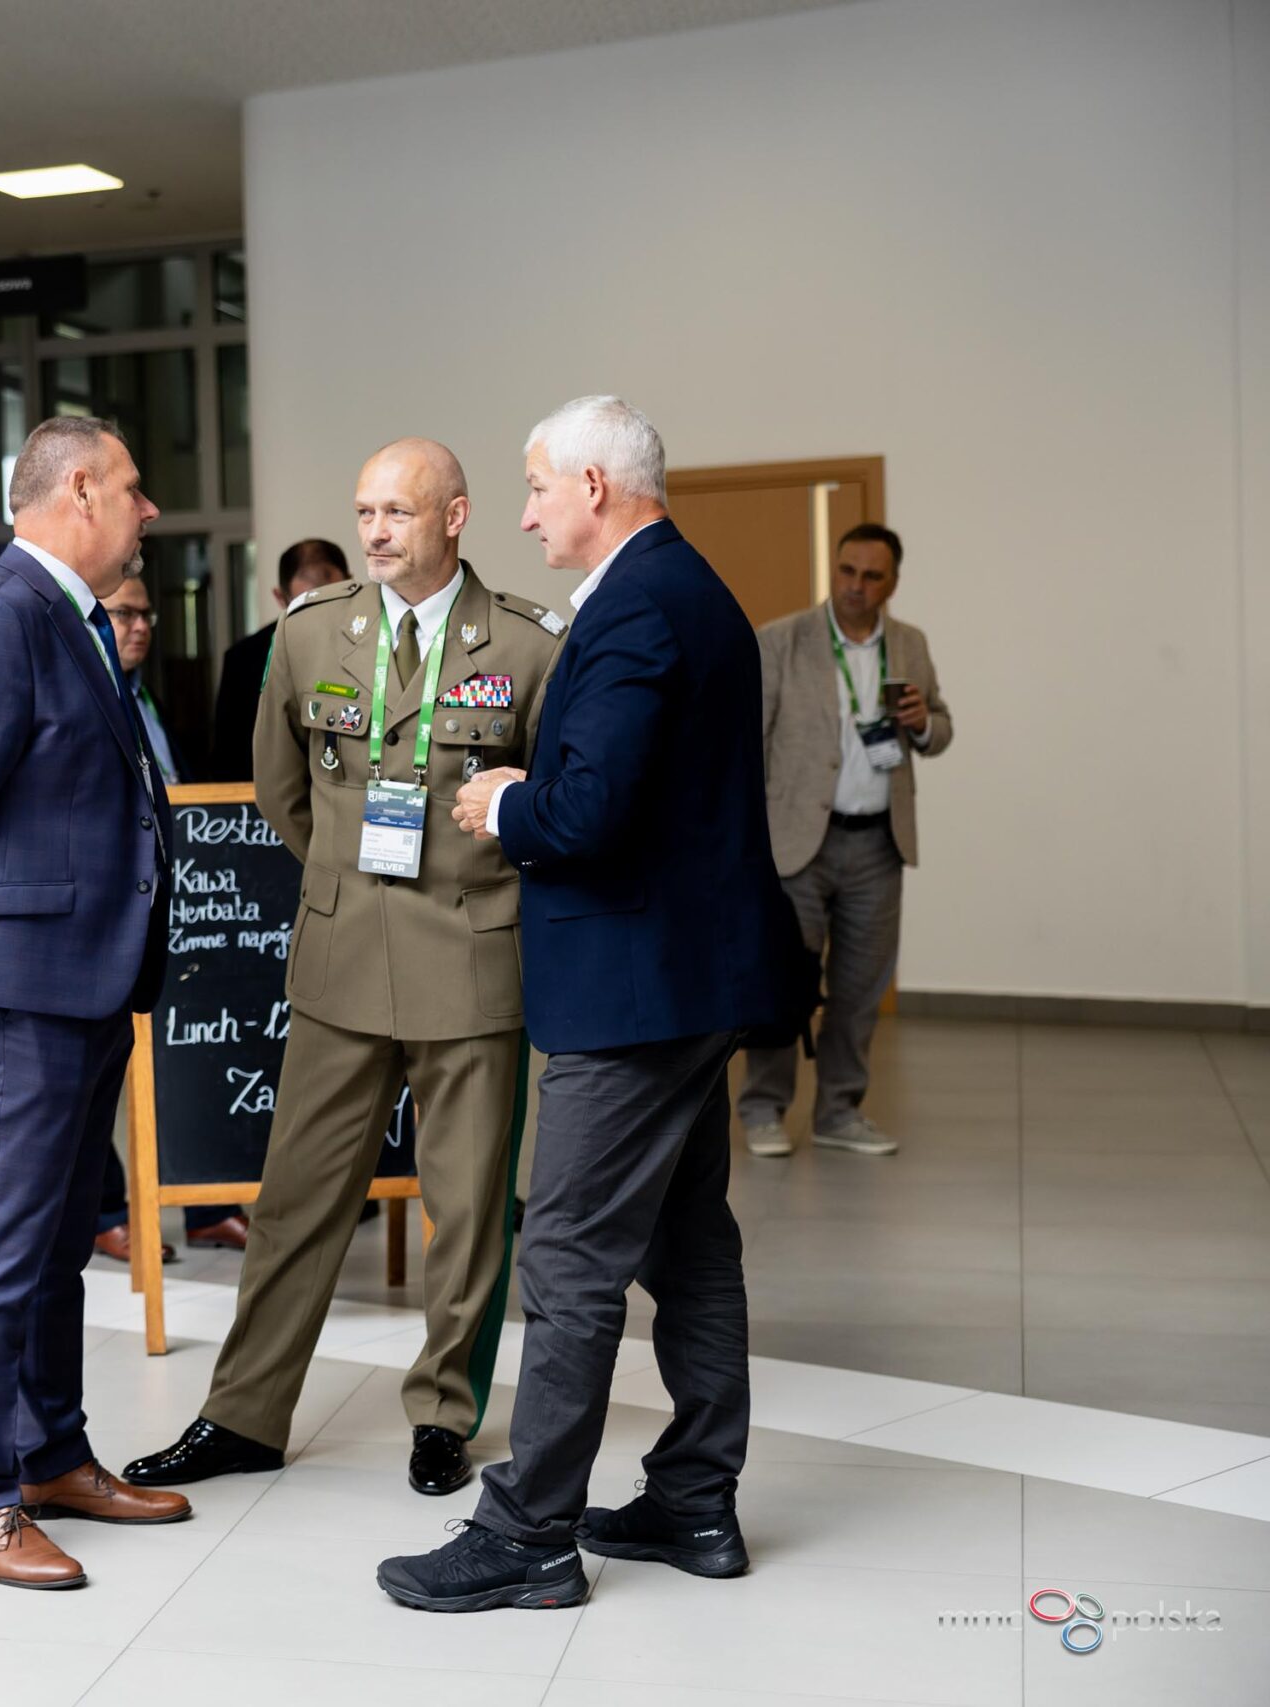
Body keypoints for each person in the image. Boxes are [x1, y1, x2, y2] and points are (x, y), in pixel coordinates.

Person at [389, 396, 789, 1614]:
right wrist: (546, 784)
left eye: (535, 488)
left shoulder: (636, 609)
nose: (524, 515)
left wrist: (504, 803)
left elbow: (589, 814)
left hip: (633, 993)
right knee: (687, 1244)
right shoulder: (685, 591)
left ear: (596, 486)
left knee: (564, 1256)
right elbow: (645, 785)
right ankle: (695, 1501)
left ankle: (529, 1535)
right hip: (686, 980)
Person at [123, 439, 563, 1502]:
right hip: (340, 959)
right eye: (365, 511)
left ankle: (443, 1414)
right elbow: (281, 790)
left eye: (397, 512)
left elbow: (550, 806)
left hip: (470, 963)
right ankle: (243, 1414)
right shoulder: (312, 631)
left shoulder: (528, 643)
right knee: (294, 1201)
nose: (374, 531)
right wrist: (343, 880)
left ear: (455, 516)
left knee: (468, 1211)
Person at [0, 416, 193, 1590]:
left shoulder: (72, 616)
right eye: (132, 486)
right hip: (20, 982)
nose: (148, 508)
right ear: (78, 492)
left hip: (86, 972)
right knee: (4, 1248)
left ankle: (52, 1455)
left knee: (63, 1237)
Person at [740, 523, 953, 1158]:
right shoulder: (783, 640)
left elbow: (941, 728)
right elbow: (748, 743)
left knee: (860, 989)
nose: (856, 586)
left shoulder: (910, 644)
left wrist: (923, 722)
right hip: (796, 844)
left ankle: (839, 1111)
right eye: (847, 571)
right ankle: (762, 1109)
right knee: (782, 983)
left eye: (872, 576)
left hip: (878, 845)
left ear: (893, 582)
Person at [92, 572, 244, 1262]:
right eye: (125, 613)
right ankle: (104, 1213)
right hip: (109, 917)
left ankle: (208, 1205)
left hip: (181, 908)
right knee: (100, 1072)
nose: (141, 626)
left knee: (191, 1051)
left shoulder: (150, 699)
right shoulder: (89, 694)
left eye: (146, 614)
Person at [209, 539, 352, 781]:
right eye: (307, 607)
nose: (322, 619)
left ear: (352, 587)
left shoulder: (379, 643)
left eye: (334, 604)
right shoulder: (243, 660)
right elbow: (227, 761)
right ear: (280, 597)